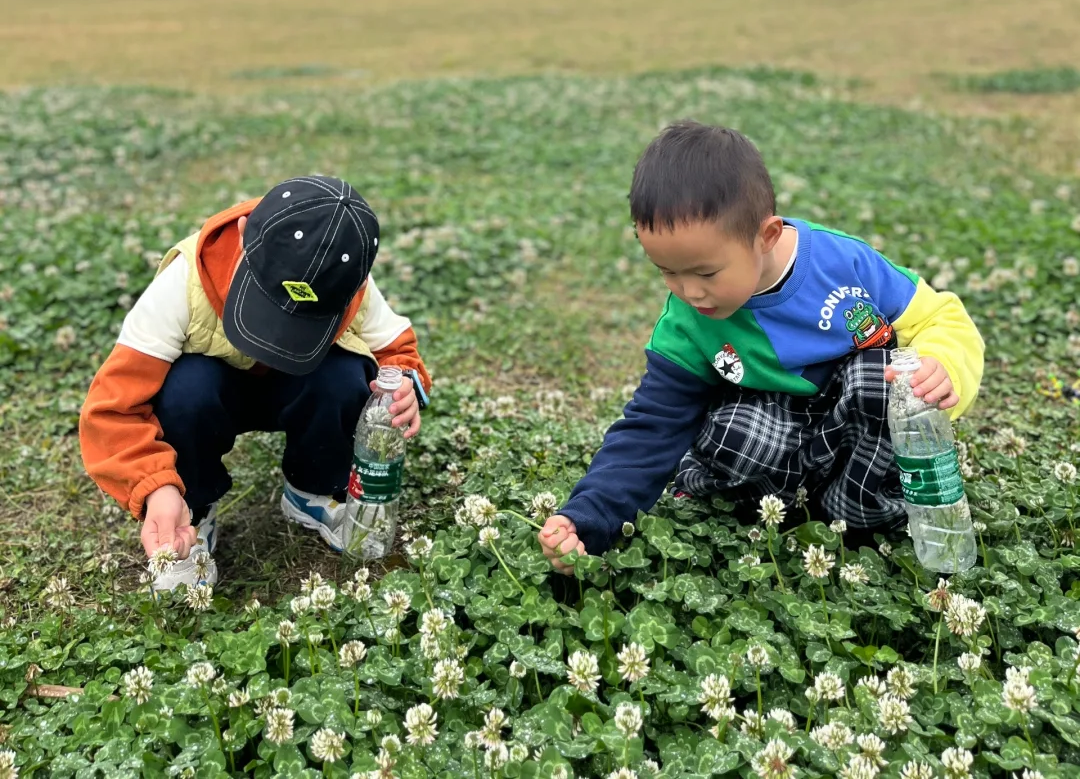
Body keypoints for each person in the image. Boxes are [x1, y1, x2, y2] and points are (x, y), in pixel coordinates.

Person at [539, 123, 983, 570]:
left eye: (706, 273)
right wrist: (588, 517)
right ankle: (777, 511)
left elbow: (939, 316)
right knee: (734, 432)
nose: (688, 293)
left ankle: (857, 518)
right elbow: (651, 425)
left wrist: (942, 363)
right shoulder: (686, 323)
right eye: (667, 272)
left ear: (767, 236)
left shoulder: (844, 263)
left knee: (879, 379)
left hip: (854, 425)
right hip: (776, 437)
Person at [80, 175, 430, 589]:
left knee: (345, 374)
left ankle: (313, 491)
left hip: (302, 387)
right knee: (183, 390)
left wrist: (404, 383)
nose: (279, 339)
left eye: (301, 323)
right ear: (245, 234)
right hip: (212, 395)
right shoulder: (183, 282)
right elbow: (111, 409)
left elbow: (398, 351)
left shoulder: (346, 282)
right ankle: (190, 509)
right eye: (266, 307)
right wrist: (156, 487)